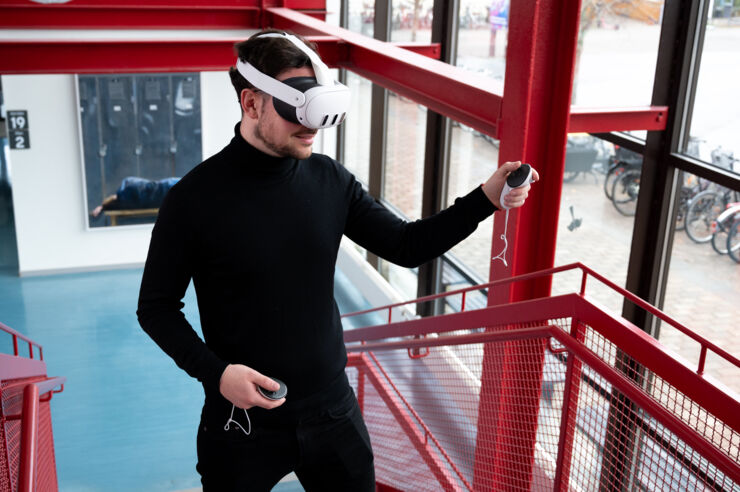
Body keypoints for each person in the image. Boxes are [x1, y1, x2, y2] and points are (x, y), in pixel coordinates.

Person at [137, 29, 538, 492]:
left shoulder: (330, 180)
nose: (312, 125)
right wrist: (217, 374)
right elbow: (157, 308)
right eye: (296, 107)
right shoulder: (193, 200)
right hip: (241, 418)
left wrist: (486, 198)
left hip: (332, 411)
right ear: (251, 104)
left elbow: (406, 246)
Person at [91, 176, 180, 218]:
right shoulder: (125, 192)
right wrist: (103, 207)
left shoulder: (124, 193)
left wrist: (103, 207)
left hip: (162, 189)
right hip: (163, 189)